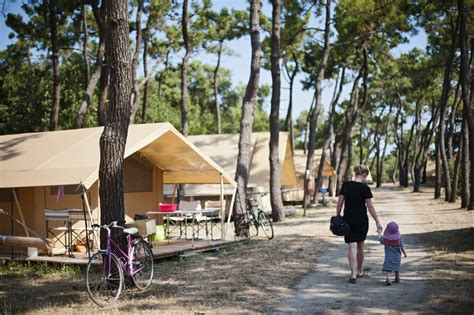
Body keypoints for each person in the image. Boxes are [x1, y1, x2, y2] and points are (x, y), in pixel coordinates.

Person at [336, 165, 383, 284]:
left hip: (348, 219)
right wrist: (377, 221)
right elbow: (370, 206)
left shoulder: (346, 185)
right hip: (361, 219)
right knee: (360, 246)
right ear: (364, 175)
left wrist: (338, 215)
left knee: (352, 246)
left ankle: (353, 274)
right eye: (366, 176)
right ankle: (360, 271)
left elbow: (340, 202)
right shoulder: (365, 188)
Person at [378, 221, 407, 285]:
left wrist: (379, 233)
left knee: (388, 268)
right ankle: (397, 278)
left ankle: (388, 278)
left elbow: (380, 239)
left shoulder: (385, 239)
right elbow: (402, 247)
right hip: (397, 256)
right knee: (397, 267)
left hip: (388, 256)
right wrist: (405, 254)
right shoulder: (399, 239)